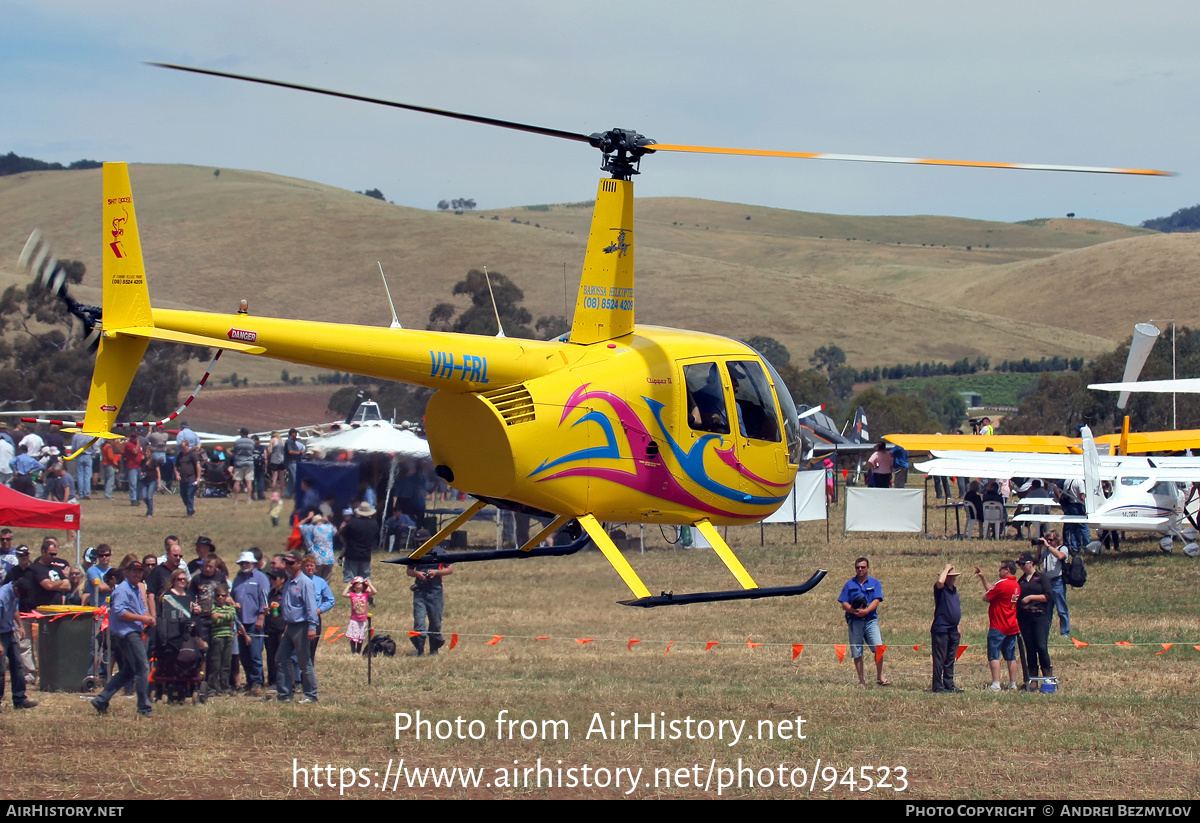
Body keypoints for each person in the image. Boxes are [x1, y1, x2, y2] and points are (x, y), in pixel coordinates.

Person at [91, 561, 155, 716]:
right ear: (127, 572)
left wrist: (147, 616)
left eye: (140, 572)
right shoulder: (123, 590)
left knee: (128, 671)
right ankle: (144, 707)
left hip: (132, 632)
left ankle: (101, 699)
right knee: (142, 668)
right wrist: (142, 618)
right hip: (127, 634)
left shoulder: (136, 589)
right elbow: (120, 612)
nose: (137, 574)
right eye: (134, 571)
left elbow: (140, 608)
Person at [836, 557, 888, 687]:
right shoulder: (849, 584)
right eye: (858, 567)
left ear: (868, 568)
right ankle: (861, 681)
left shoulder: (875, 583)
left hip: (870, 620)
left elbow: (877, 600)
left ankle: (880, 675)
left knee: (879, 648)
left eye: (863, 567)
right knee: (857, 651)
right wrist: (854, 611)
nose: (860, 569)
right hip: (855, 621)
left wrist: (866, 611)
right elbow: (843, 603)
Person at [275, 553, 318, 703]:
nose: (287, 566)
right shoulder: (288, 582)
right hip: (290, 625)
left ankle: (311, 694)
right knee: (281, 659)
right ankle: (284, 694)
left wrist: (312, 627)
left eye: (290, 563)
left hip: (302, 625)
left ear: (299, 563)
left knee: (304, 661)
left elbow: (311, 607)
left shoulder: (305, 583)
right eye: (285, 563)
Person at [975, 559, 1021, 692]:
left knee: (994, 655)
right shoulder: (1016, 585)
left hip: (998, 625)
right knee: (1011, 656)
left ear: (1007, 570)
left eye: (1001, 568)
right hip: (1012, 625)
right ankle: (1013, 683)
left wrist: (992, 598)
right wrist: (983, 577)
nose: (998, 571)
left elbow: (987, 597)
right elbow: (993, 590)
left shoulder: (1002, 583)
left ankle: (996, 683)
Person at [231, 551, 269, 696]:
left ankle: (257, 682)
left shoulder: (261, 578)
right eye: (242, 563)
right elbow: (233, 596)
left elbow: (264, 599)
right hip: (240, 621)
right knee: (244, 654)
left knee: (255, 654)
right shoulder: (237, 579)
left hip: (254, 621)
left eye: (247, 563)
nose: (244, 565)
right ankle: (249, 681)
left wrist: (261, 617)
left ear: (252, 563)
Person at [1016, 551, 1053, 685]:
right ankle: (1032, 679)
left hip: (1039, 615)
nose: (1021, 567)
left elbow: (1049, 596)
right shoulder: (1021, 581)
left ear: (1031, 563)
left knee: (1041, 646)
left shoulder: (1041, 578)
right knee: (1029, 648)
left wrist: (1031, 597)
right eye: (1020, 565)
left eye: (1023, 564)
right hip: (1025, 617)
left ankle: (1048, 676)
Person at [406, 549, 452, 656]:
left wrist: (436, 572)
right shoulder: (415, 552)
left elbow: (450, 569)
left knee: (436, 621)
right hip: (420, 591)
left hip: (435, 591)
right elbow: (409, 571)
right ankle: (420, 649)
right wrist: (417, 573)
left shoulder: (440, 552)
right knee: (419, 620)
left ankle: (434, 649)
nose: (421, 544)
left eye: (423, 541)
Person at [0, 579, 37, 709]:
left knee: (18, 665)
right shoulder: (2, 596)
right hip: (0, 635)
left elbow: (15, 610)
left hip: (9, 632)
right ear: (16, 590)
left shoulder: (14, 594)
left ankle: (19, 699)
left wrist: (20, 626)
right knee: (1, 669)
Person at [930, 564, 962, 693]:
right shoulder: (940, 589)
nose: (952, 579)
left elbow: (954, 608)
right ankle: (938, 686)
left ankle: (949, 684)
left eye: (953, 576)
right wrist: (946, 569)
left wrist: (958, 626)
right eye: (949, 576)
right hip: (941, 628)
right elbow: (939, 582)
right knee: (940, 659)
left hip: (953, 628)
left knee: (950, 658)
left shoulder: (954, 590)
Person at [207, 583, 241, 695]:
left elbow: (232, 617)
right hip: (217, 637)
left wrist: (221, 615)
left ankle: (225, 686)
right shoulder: (213, 607)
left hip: (229, 636)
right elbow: (214, 619)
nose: (220, 598)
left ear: (227, 596)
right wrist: (223, 616)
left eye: (222, 595)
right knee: (215, 663)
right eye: (218, 596)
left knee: (226, 663)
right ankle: (212, 686)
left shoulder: (231, 607)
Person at [301, 554, 335, 665]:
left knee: (311, 650)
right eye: (307, 566)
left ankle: (307, 676)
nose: (309, 568)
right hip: (299, 618)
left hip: (314, 618)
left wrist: (319, 610)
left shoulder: (320, 582)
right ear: (302, 567)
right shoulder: (298, 580)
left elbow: (330, 600)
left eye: (312, 566)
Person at [1036, 530, 1070, 636]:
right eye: (1047, 540)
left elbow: (1061, 556)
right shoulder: (1045, 551)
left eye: (1051, 540)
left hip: (1058, 582)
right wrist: (1039, 548)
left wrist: (1048, 547)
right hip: (1047, 582)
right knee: (1047, 609)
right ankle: (1046, 631)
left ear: (1057, 540)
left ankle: (1065, 632)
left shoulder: (1062, 548)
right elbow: (1037, 562)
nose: (1049, 542)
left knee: (1061, 609)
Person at [339, 502, 379, 583]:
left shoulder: (351, 522)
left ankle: (353, 595)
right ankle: (365, 595)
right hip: (366, 554)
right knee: (366, 579)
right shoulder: (374, 523)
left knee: (351, 580)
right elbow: (375, 538)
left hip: (352, 553)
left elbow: (343, 536)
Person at [343, 576, 376, 654]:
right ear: (354, 586)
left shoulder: (365, 594)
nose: (359, 585)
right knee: (353, 636)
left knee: (361, 636)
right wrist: (348, 586)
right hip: (354, 619)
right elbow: (344, 594)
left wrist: (369, 584)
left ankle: (359, 650)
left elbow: (375, 592)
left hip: (362, 619)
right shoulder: (352, 595)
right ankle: (353, 651)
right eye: (357, 584)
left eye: (360, 583)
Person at [299, 512, 336, 580]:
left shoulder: (310, 528)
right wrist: (327, 520)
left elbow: (298, 526)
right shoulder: (329, 527)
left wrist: (307, 518)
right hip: (329, 558)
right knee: (326, 581)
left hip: (316, 558)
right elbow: (335, 531)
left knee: (315, 580)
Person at [175, 441, 202, 517]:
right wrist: (177, 474)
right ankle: (190, 508)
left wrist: (198, 477)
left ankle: (189, 511)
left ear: (187, 446)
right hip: (183, 479)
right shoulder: (180, 455)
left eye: (183, 447)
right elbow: (176, 467)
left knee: (189, 494)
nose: (182, 449)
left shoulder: (192, 454)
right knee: (183, 495)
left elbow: (197, 465)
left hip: (191, 478)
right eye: (181, 447)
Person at [231, 428, 256, 504]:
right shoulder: (252, 442)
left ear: (241, 433)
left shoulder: (237, 442)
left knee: (237, 481)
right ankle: (248, 498)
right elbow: (253, 451)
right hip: (249, 463)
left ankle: (236, 499)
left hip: (239, 463)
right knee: (249, 482)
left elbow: (235, 451)